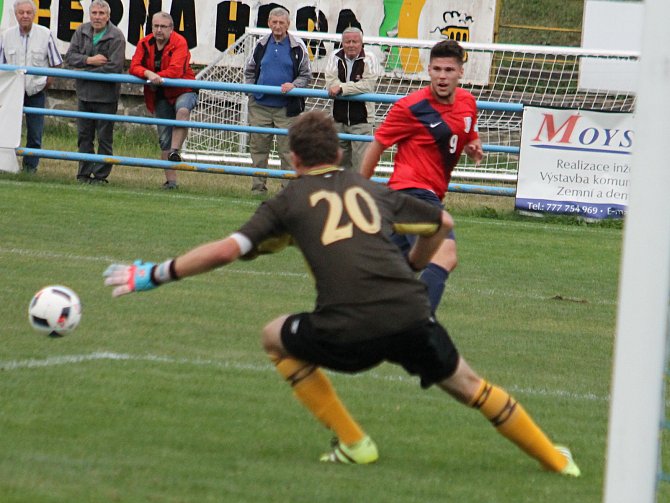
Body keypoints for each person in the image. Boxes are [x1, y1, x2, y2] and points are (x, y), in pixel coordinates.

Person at [103, 110, 579, 477]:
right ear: (339, 152)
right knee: (472, 388)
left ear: (294, 158)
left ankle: (353, 443)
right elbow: (444, 222)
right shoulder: (371, 190)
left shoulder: (287, 200)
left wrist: (155, 274)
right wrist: (418, 262)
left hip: (347, 330)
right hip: (411, 315)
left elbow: (229, 250)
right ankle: (557, 463)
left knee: (274, 335)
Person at [360, 39, 484, 316]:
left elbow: (468, 128)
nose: (442, 76)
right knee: (444, 255)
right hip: (412, 193)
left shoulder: (467, 102)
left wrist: (473, 144)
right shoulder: (410, 107)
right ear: (428, 70)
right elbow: (377, 145)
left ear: (460, 73)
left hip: (423, 196)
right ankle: (418, 324)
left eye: (449, 70)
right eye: (437, 69)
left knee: (389, 276)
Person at [243, 6, 311, 195]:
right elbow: (248, 71)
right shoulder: (261, 44)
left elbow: (306, 75)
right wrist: (252, 92)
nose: (278, 26)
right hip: (260, 106)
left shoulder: (298, 46)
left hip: (287, 109)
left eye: (282, 22)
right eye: (274, 22)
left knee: (288, 152)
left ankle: (287, 192)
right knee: (258, 149)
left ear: (288, 24)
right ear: (269, 23)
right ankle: (258, 189)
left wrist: (294, 85)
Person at [129, 11, 197, 189]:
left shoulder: (180, 42)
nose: (159, 30)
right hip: (159, 94)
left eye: (163, 26)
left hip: (184, 89)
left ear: (171, 29)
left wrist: (155, 78)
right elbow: (134, 66)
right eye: (155, 26)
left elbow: (176, 71)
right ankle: (171, 182)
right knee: (164, 139)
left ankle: (175, 151)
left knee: (183, 111)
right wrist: (148, 73)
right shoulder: (144, 43)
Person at [64, 0, 125, 184]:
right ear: (89, 14)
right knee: (84, 136)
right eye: (94, 13)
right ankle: (83, 174)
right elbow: (70, 58)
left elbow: (114, 67)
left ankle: (100, 176)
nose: (97, 17)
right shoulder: (81, 31)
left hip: (106, 97)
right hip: (83, 94)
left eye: (101, 13)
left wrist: (84, 72)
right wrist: (89, 60)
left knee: (104, 139)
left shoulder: (117, 37)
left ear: (108, 16)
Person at [0, 0, 62, 173]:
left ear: (34, 14)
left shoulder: (46, 34)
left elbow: (56, 64)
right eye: (21, 12)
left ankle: (30, 168)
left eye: (28, 12)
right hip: (11, 93)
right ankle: (7, 166)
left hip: (35, 90)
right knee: (7, 129)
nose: (25, 16)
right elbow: (1, 64)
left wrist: (46, 83)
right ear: (15, 14)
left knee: (35, 132)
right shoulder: (6, 36)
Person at [324, 27, 380, 171]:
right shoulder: (334, 56)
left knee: (361, 166)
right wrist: (346, 88)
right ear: (342, 43)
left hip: (362, 120)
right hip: (338, 119)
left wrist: (342, 89)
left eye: (355, 41)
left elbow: (367, 85)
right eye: (347, 41)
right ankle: (341, 193)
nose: (351, 45)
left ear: (361, 43)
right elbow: (330, 83)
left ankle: (359, 193)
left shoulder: (370, 58)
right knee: (338, 165)